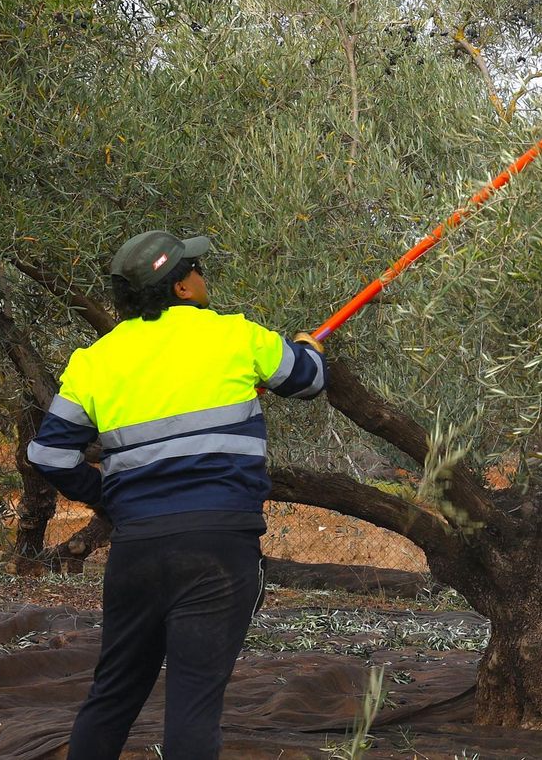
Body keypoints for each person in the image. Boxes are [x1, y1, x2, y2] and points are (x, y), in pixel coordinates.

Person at [28, 230, 327, 759]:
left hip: (138, 547)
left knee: (113, 695)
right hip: (218, 545)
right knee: (193, 706)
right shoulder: (234, 335)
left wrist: (113, 498)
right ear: (183, 287)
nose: (202, 275)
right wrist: (308, 347)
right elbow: (307, 381)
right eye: (196, 268)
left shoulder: (95, 361)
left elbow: (49, 455)